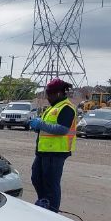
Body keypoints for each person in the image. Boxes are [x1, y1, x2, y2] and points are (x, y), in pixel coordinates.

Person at [28, 78, 77, 212]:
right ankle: (44, 202)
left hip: (56, 152)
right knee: (36, 178)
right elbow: (48, 128)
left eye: (50, 94)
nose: (48, 97)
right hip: (43, 151)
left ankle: (52, 210)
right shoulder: (53, 108)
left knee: (51, 183)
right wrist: (37, 127)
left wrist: (41, 124)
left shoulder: (66, 108)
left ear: (59, 93)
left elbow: (62, 129)